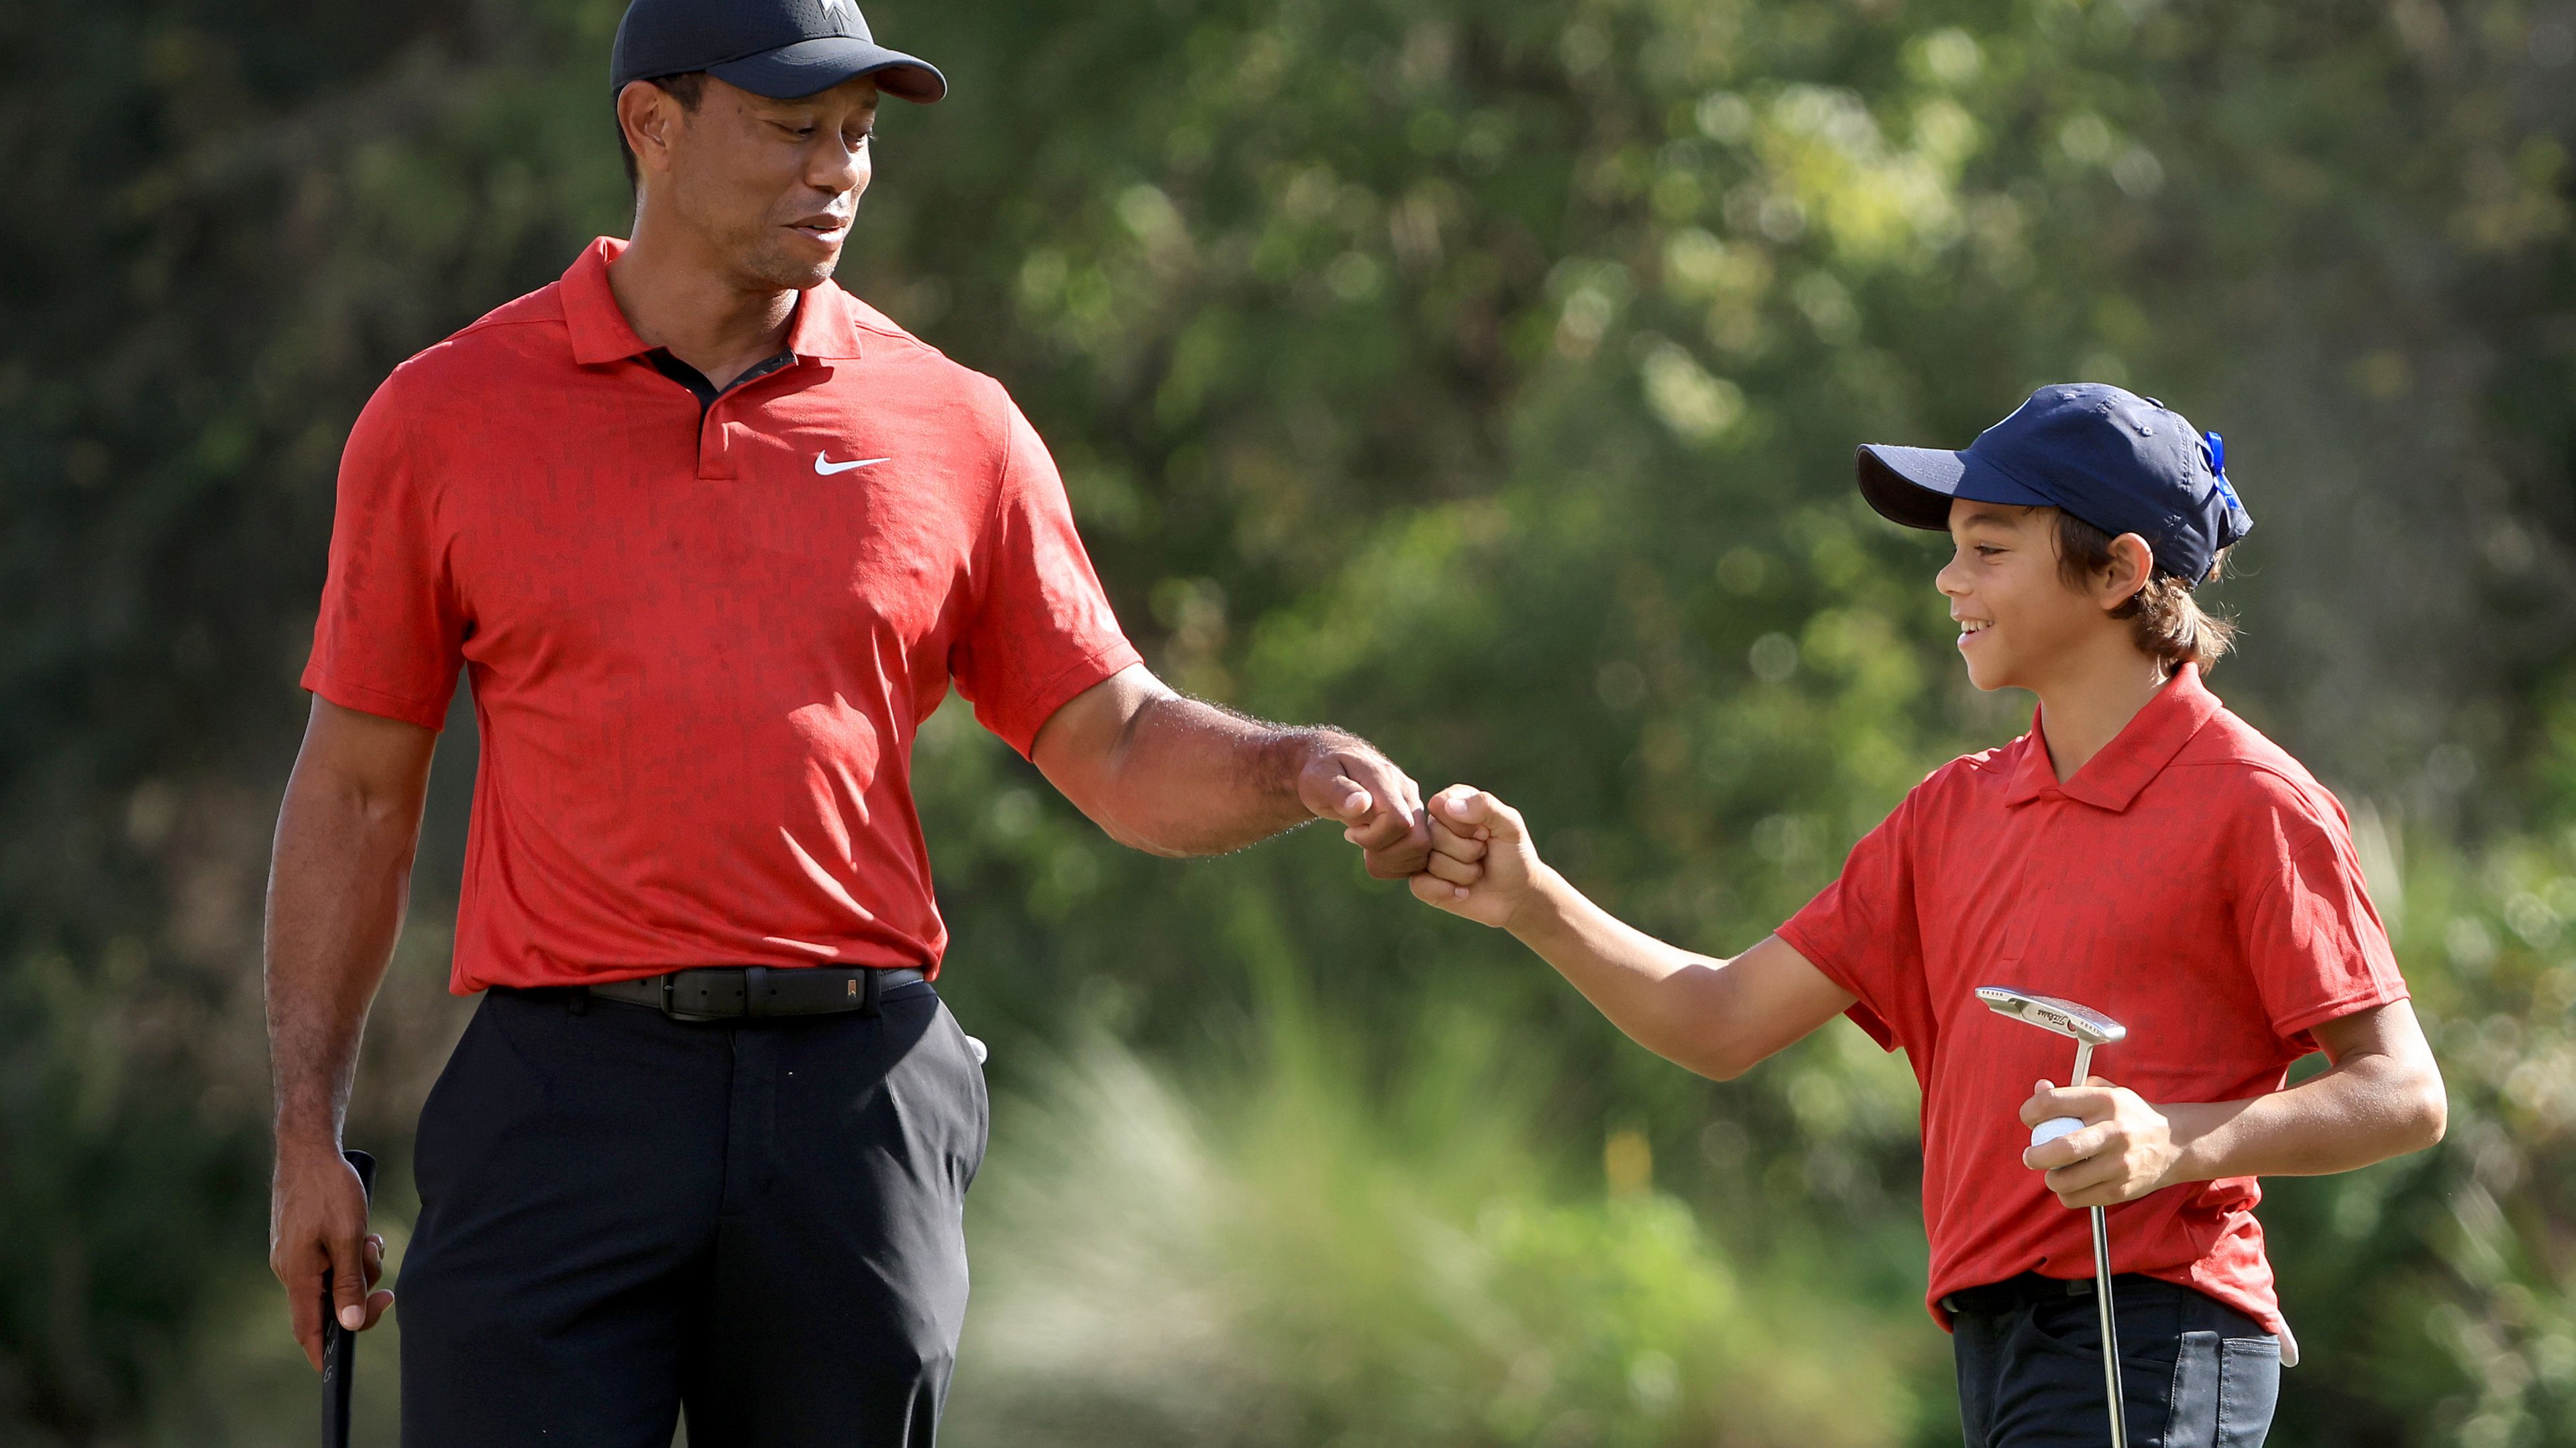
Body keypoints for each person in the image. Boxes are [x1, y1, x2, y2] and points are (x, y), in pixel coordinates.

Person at [261, 1, 1438, 1442]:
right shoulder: (441, 418)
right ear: (653, 125)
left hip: (854, 1100)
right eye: (790, 127)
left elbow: (1118, 745)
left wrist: (1297, 766)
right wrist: (305, 1129)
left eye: (858, 136)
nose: (838, 170)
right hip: (566, 1092)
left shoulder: (959, 423)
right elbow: (358, 796)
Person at [1409, 384, 2449, 1446]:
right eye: (1953, 548)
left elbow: (2404, 1093)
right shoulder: (1950, 812)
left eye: (1989, 548)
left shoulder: (2252, 800)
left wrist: (2172, 1141)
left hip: (2150, 1330)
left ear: (2122, 571)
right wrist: (1532, 899)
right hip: (1991, 1349)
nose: (1950, 578)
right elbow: (1720, 1019)